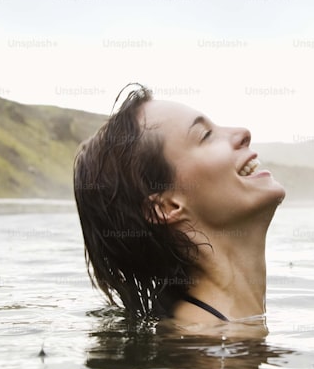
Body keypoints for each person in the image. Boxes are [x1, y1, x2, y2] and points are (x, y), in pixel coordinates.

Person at [73, 84, 286, 328]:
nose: (243, 132)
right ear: (166, 207)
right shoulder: (206, 346)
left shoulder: (220, 332)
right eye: (206, 135)